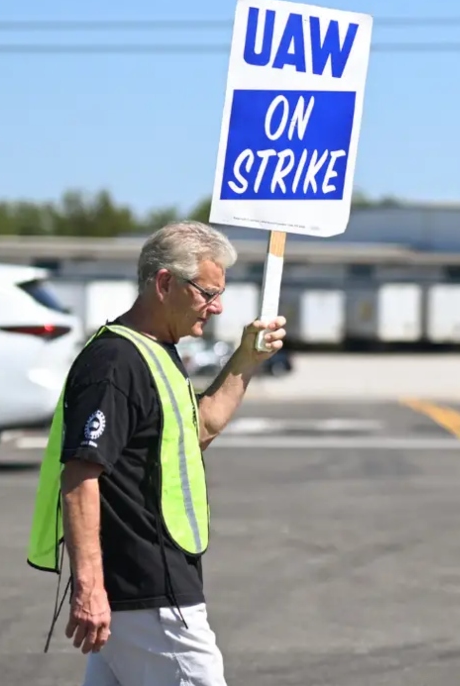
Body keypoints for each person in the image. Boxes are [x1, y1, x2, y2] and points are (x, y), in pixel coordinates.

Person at [26, 220, 286, 686]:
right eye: (208, 292)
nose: (218, 306)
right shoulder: (115, 363)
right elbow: (81, 474)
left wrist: (247, 359)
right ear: (165, 283)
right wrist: (89, 586)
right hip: (149, 594)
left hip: (150, 591)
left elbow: (198, 429)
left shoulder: (156, 352)